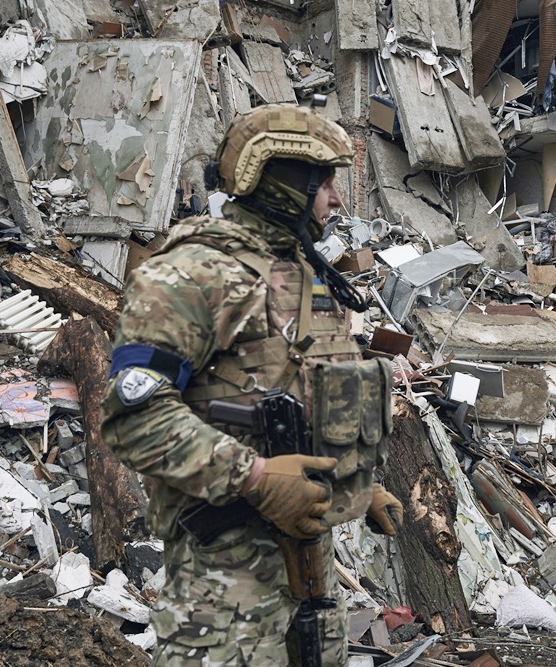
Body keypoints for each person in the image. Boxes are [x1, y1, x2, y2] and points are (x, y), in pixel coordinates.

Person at [100, 103, 404, 666]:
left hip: (309, 573)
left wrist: (359, 487)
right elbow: (134, 415)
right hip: (224, 590)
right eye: (324, 183)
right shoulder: (193, 272)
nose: (337, 200)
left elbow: (312, 396)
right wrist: (257, 479)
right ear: (280, 180)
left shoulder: (301, 273)